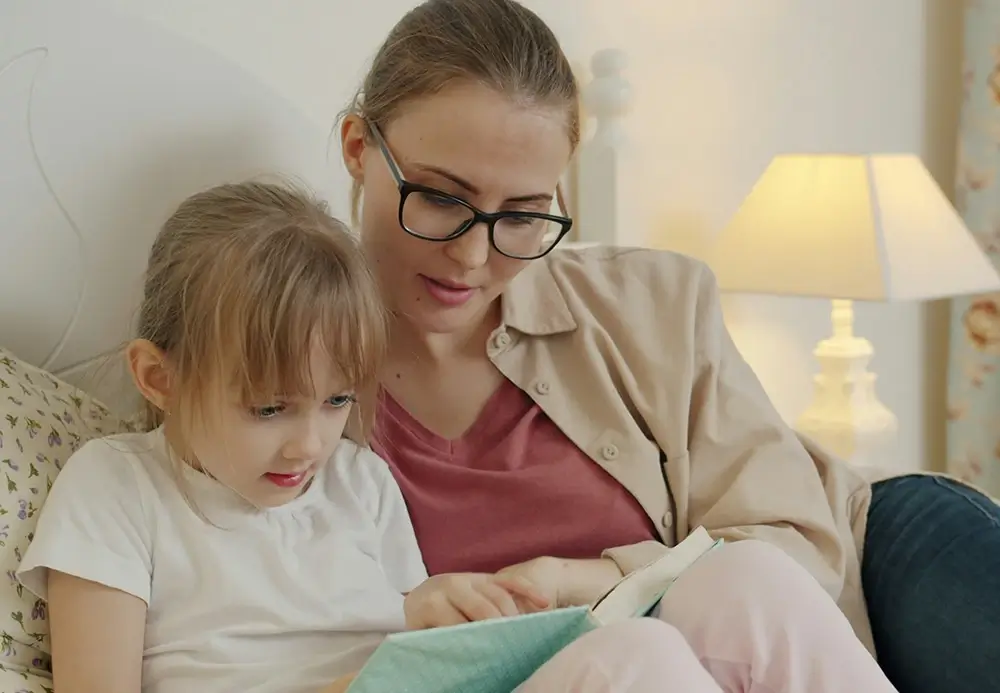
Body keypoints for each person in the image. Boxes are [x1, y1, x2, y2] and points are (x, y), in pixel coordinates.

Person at [338, 1, 1000, 692]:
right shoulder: (275, 363)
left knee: (742, 580)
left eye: (524, 215)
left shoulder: (651, 304)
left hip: (716, 653)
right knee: (638, 662)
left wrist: (583, 581)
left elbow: (798, 551)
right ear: (359, 147)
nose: (474, 255)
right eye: (442, 198)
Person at [14, 180, 700, 693]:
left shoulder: (359, 480)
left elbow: (411, 659)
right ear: (159, 377)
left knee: (648, 655)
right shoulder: (117, 484)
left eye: (337, 399)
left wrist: (430, 612)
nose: (308, 445)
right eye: (269, 408)